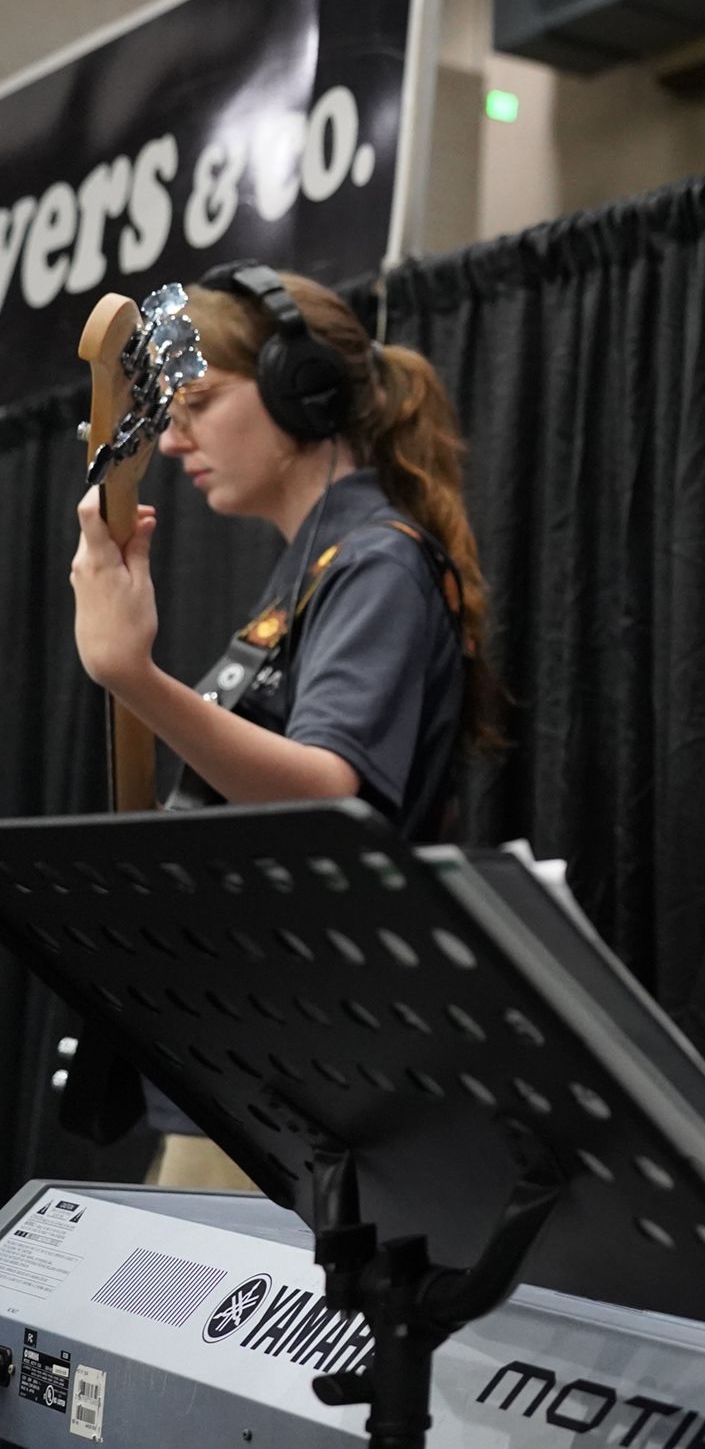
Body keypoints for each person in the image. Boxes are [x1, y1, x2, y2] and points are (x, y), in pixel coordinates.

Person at [66, 261, 498, 1188]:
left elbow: (327, 788)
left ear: (300, 392)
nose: (176, 439)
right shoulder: (309, 573)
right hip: (247, 1070)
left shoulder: (374, 564)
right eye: (169, 411)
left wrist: (131, 675)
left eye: (202, 402)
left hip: (308, 1078)